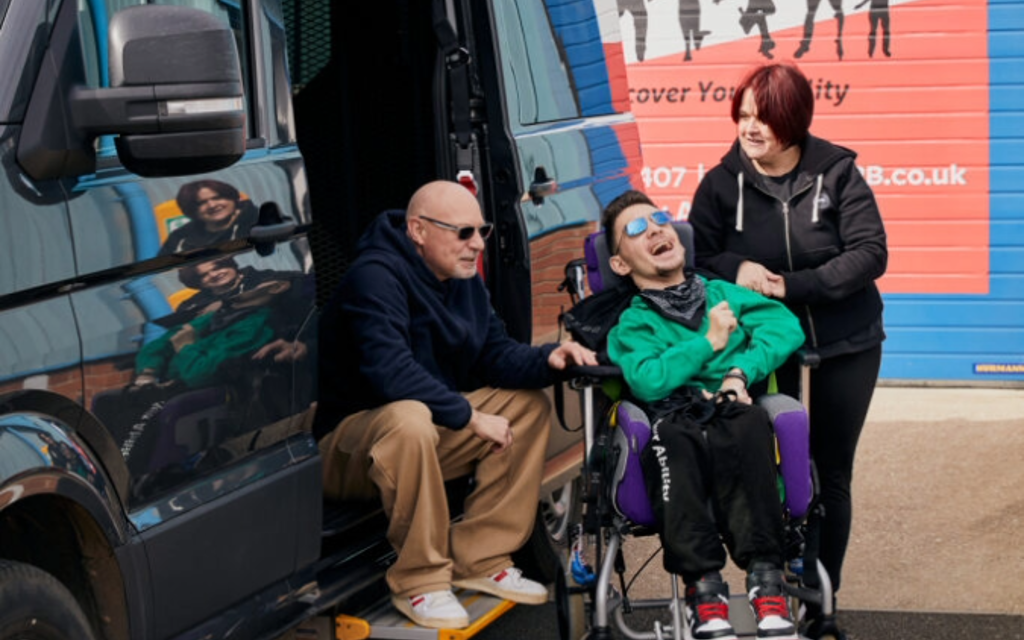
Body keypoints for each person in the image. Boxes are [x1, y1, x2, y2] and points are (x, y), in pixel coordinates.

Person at [313, 180, 597, 629]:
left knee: (525, 408)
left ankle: (478, 558)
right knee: (409, 419)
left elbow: (495, 355)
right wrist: (469, 417)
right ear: (418, 230)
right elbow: (390, 373)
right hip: (344, 449)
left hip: (419, 432)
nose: (478, 244)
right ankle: (420, 581)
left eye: (482, 231)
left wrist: (550, 359)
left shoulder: (463, 280)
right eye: (464, 232)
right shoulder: (374, 277)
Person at [687, 62, 887, 639]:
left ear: (794, 121)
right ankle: (771, 583)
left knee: (829, 472)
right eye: (743, 115)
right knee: (768, 468)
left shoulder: (837, 172)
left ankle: (821, 603)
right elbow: (697, 257)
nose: (750, 128)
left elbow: (870, 252)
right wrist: (738, 267)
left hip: (844, 343)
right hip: (762, 351)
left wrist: (793, 285)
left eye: (764, 118)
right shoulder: (721, 183)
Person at [602, 189, 805, 640]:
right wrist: (708, 342)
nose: (655, 229)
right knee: (672, 437)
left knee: (750, 423)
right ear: (620, 263)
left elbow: (785, 327)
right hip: (673, 417)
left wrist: (739, 371)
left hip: (731, 407)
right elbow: (648, 380)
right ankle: (705, 593)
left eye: (659, 219)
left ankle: (767, 584)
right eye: (636, 228)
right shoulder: (632, 322)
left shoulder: (722, 294)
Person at [159, 179, 260, 255]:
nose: (212, 205)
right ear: (191, 210)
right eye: (201, 203)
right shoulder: (180, 237)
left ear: (233, 198)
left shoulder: (259, 219)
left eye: (217, 198)